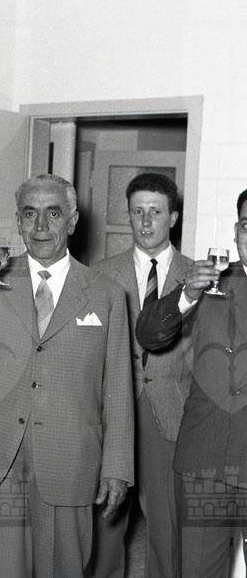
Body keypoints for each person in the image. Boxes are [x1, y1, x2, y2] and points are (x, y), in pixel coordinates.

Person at [0, 173, 134, 577]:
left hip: (70, 457)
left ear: (72, 220)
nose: (41, 226)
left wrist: (117, 467)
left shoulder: (106, 293)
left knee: (66, 568)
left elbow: (118, 388)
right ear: (18, 221)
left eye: (53, 214)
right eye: (30, 214)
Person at [137, 188, 247, 578]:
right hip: (204, 459)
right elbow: (150, 335)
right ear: (236, 232)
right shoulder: (209, 281)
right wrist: (186, 294)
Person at [91, 173, 193, 577]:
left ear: (173, 218)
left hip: (170, 410)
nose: (146, 221)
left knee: (167, 525)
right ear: (129, 215)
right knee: (106, 520)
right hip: (112, 410)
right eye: (138, 212)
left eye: (156, 212)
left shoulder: (198, 276)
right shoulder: (100, 274)